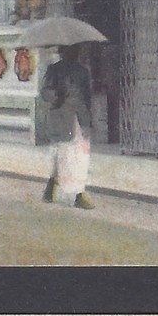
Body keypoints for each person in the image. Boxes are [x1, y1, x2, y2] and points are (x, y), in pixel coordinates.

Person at [39, 45, 94, 208]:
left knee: (80, 156)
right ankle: (51, 184)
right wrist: (57, 96)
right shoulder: (54, 70)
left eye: (75, 50)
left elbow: (87, 97)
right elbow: (45, 92)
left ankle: (78, 193)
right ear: (62, 52)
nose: (73, 54)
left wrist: (87, 121)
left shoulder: (82, 72)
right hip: (61, 117)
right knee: (60, 154)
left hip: (79, 118)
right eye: (69, 51)